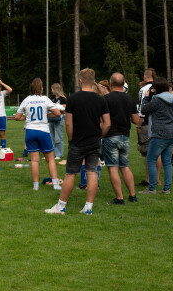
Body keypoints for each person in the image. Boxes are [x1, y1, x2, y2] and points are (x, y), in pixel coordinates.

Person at [45, 68, 110, 215]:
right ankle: (88, 207)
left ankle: (61, 206)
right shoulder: (101, 100)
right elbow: (107, 123)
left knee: (70, 174)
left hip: (77, 141)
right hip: (94, 141)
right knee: (92, 172)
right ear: (94, 81)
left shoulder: (73, 99)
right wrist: (100, 136)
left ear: (80, 80)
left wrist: (70, 139)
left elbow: (68, 124)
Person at [15, 78, 62, 190]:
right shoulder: (45, 99)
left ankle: (35, 186)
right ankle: (55, 185)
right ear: (41, 88)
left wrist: (28, 117)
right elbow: (57, 113)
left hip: (30, 131)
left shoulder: (26, 100)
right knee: (50, 159)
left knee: (34, 160)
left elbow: (17, 117)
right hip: (43, 131)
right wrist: (46, 115)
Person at [103, 73, 139, 204]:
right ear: (123, 84)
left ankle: (119, 198)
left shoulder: (106, 99)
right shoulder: (130, 99)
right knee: (124, 167)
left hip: (111, 135)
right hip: (125, 137)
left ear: (111, 83)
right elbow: (136, 120)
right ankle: (132, 196)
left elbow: (104, 121)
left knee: (113, 168)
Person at [139, 78, 173, 194]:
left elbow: (144, 110)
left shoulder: (156, 100)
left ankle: (152, 188)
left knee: (151, 160)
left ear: (156, 89)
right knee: (167, 161)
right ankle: (167, 188)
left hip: (159, 134)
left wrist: (146, 98)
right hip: (172, 133)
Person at [136, 68, 162, 186]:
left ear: (145, 77)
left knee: (148, 152)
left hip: (147, 123)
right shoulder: (160, 88)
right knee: (158, 152)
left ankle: (148, 179)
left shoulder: (144, 89)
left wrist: (139, 124)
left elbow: (142, 106)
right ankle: (157, 178)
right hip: (160, 122)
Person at [48, 83, 67, 164]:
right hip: (51, 118)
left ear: (56, 89)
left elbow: (64, 109)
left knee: (58, 137)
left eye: (52, 89)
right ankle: (51, 153)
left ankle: (59, 154)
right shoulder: (52, 98)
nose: (51, 90)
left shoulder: (63, 99)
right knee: (50, 136)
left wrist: (56, 107)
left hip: (59, 119)